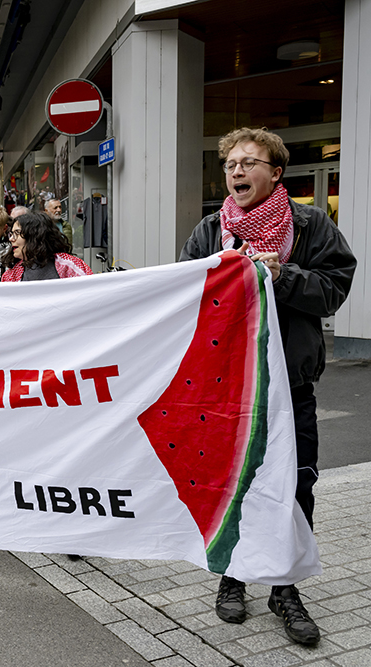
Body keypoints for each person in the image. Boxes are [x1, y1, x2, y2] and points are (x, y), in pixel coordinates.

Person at [180, 127, 356, 647]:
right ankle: (233, 575)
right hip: (228, 385)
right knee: (234, 484)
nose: (236, 170)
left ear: (275, 172)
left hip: (291, 386)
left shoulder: (311, 225)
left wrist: (282, 277)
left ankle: (285, 588)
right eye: (231, 163)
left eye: (249, 162)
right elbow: (186, 292)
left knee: (296, 486)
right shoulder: (211, 230)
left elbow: (334, 289)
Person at [1, 212, 92, 281]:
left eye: (17, 233)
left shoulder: (70, 266)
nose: (11, 239)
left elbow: (90, 290)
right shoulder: (10, 276)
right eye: (11, 234)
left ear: (35, 235)